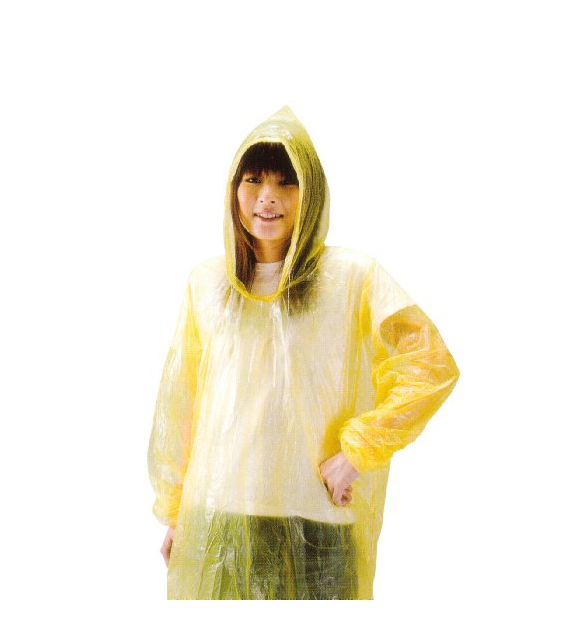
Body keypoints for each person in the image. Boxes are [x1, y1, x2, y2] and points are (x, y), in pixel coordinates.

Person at [147, 106, 459, 599]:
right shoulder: (206, 285)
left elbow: (429, 364)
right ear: (233, 190)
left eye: (286, 183)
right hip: (216, 519)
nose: (267, 197)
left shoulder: (352, 278)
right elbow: (182, 402)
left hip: (316, 526)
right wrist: (176, 510)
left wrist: (356, 452)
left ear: (310, 192)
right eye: (253, 180)